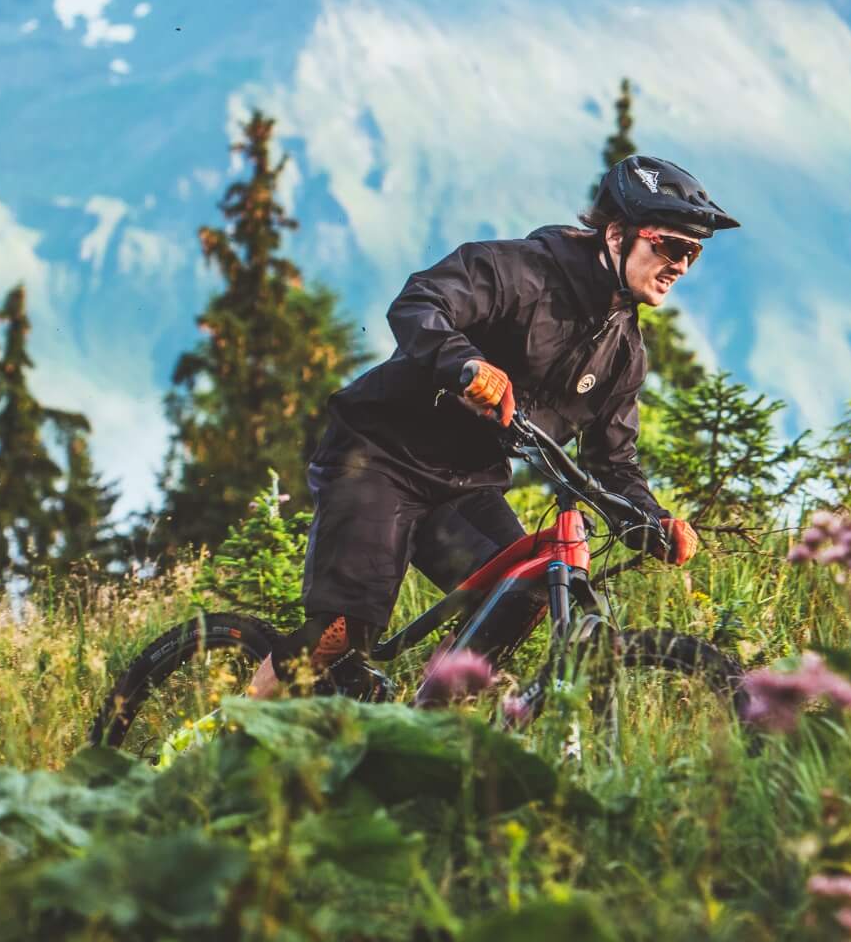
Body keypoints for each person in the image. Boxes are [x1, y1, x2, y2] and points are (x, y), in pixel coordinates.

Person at [247, 154, 739, 697]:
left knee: (519, 597)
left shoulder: (624, 353)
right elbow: (419, 302)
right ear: (618, 234)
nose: (682, 265)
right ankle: (222, 739)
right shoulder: (520, 272)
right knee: (343, 630)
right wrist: (466, 364)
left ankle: (419, 727)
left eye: (693, 253)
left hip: (467, 484)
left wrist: (654, 522)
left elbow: (612, 462)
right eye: (670, 246)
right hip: (380, 456)